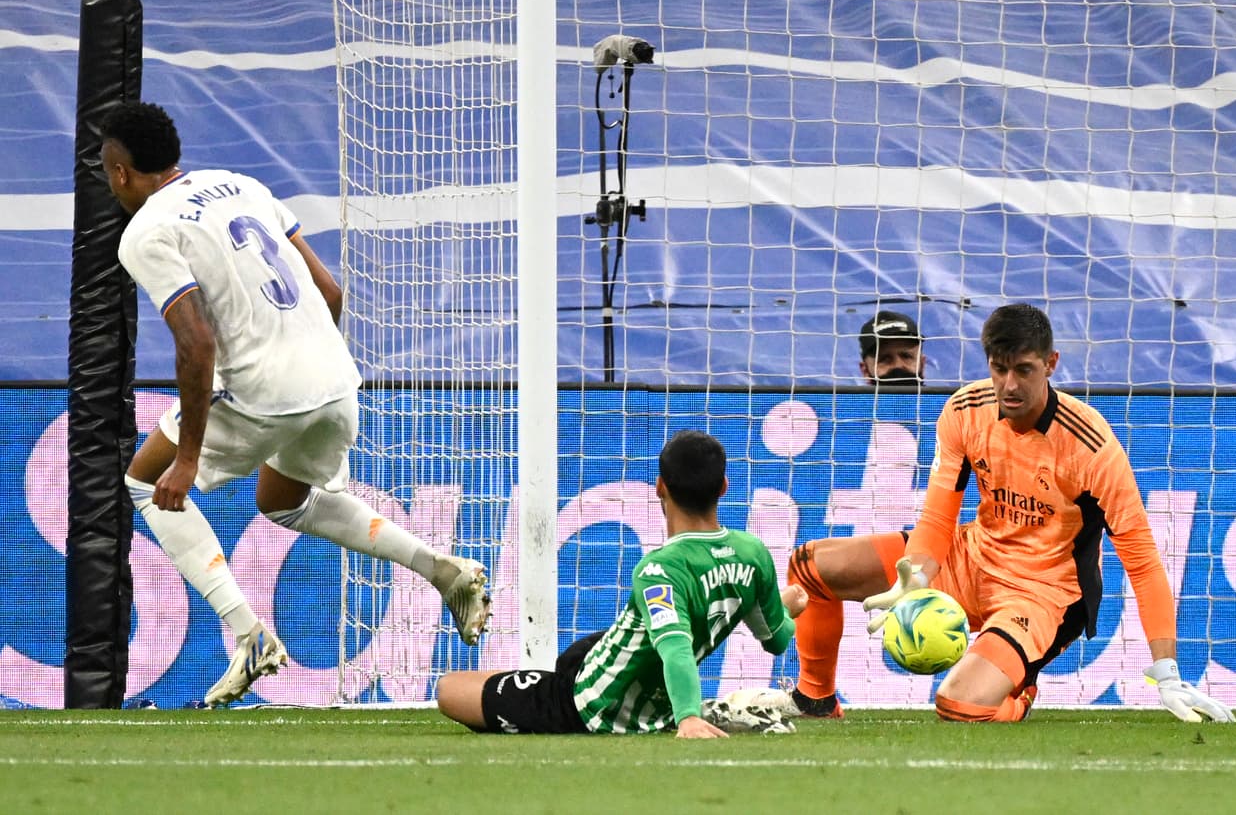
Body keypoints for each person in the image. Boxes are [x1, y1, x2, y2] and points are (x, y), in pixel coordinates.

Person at [100, 101, 492, 706]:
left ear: (121, 172)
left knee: (144, 481)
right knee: (282, 500)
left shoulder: (146, 232)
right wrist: (306, 370)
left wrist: (191, 456)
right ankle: (443, 570)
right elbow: (329, 290)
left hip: (262, 387)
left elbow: (196, 343)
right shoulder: (244, 185)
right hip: (336, 378)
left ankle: (249, 635)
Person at [784, 303, 1234, 723]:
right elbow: (939, 518)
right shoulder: (965, 410)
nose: (1010, 385)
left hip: (1044, 592)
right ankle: (816, 700)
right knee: (811, 567)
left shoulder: (1092, 446)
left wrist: (1167, 672)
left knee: (957, 705)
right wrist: (916, 577)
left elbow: (1143, 560)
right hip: (973, 557)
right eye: (999, 370)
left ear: (1051, 364)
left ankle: (1020, 692)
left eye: (1024, 370)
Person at [436, 429, 809, 737]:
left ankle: (708, 711)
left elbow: (676, 648)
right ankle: (703, 708)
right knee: (580, 652)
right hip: (615, 664)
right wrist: (786, 605)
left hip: (590, 706)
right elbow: (776, 639)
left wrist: (689, 717)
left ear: (660, 487)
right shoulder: (752, 551)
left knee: (449, 690)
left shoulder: (659, 569)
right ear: (724, 486)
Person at [859, 310, 926, 386]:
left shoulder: (940, 397)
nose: (898, 365)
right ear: (865, 371)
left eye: (906, 356)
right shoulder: (847, 398)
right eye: (884, 359)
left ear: (922, 364)